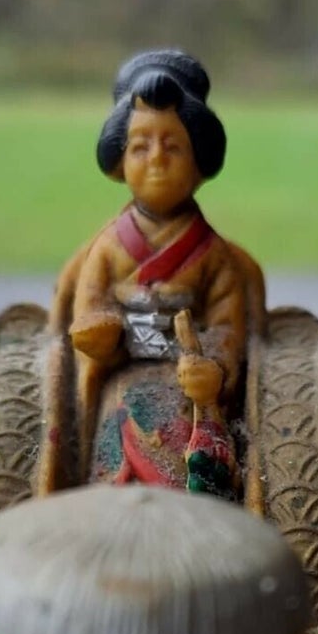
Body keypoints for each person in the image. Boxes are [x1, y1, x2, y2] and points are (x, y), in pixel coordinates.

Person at [61, 50, 265, 495]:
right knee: (112, 461)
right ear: (119, 162)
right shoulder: (108, 249)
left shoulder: (213, 257)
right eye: (140, 146)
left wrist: (214, 371)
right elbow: (91, 304)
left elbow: (228, 327)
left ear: (199, 162)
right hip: (121, 386)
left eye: (173, 146)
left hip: (189, 395)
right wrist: (100, 333)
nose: (156, 158)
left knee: (195, 472)